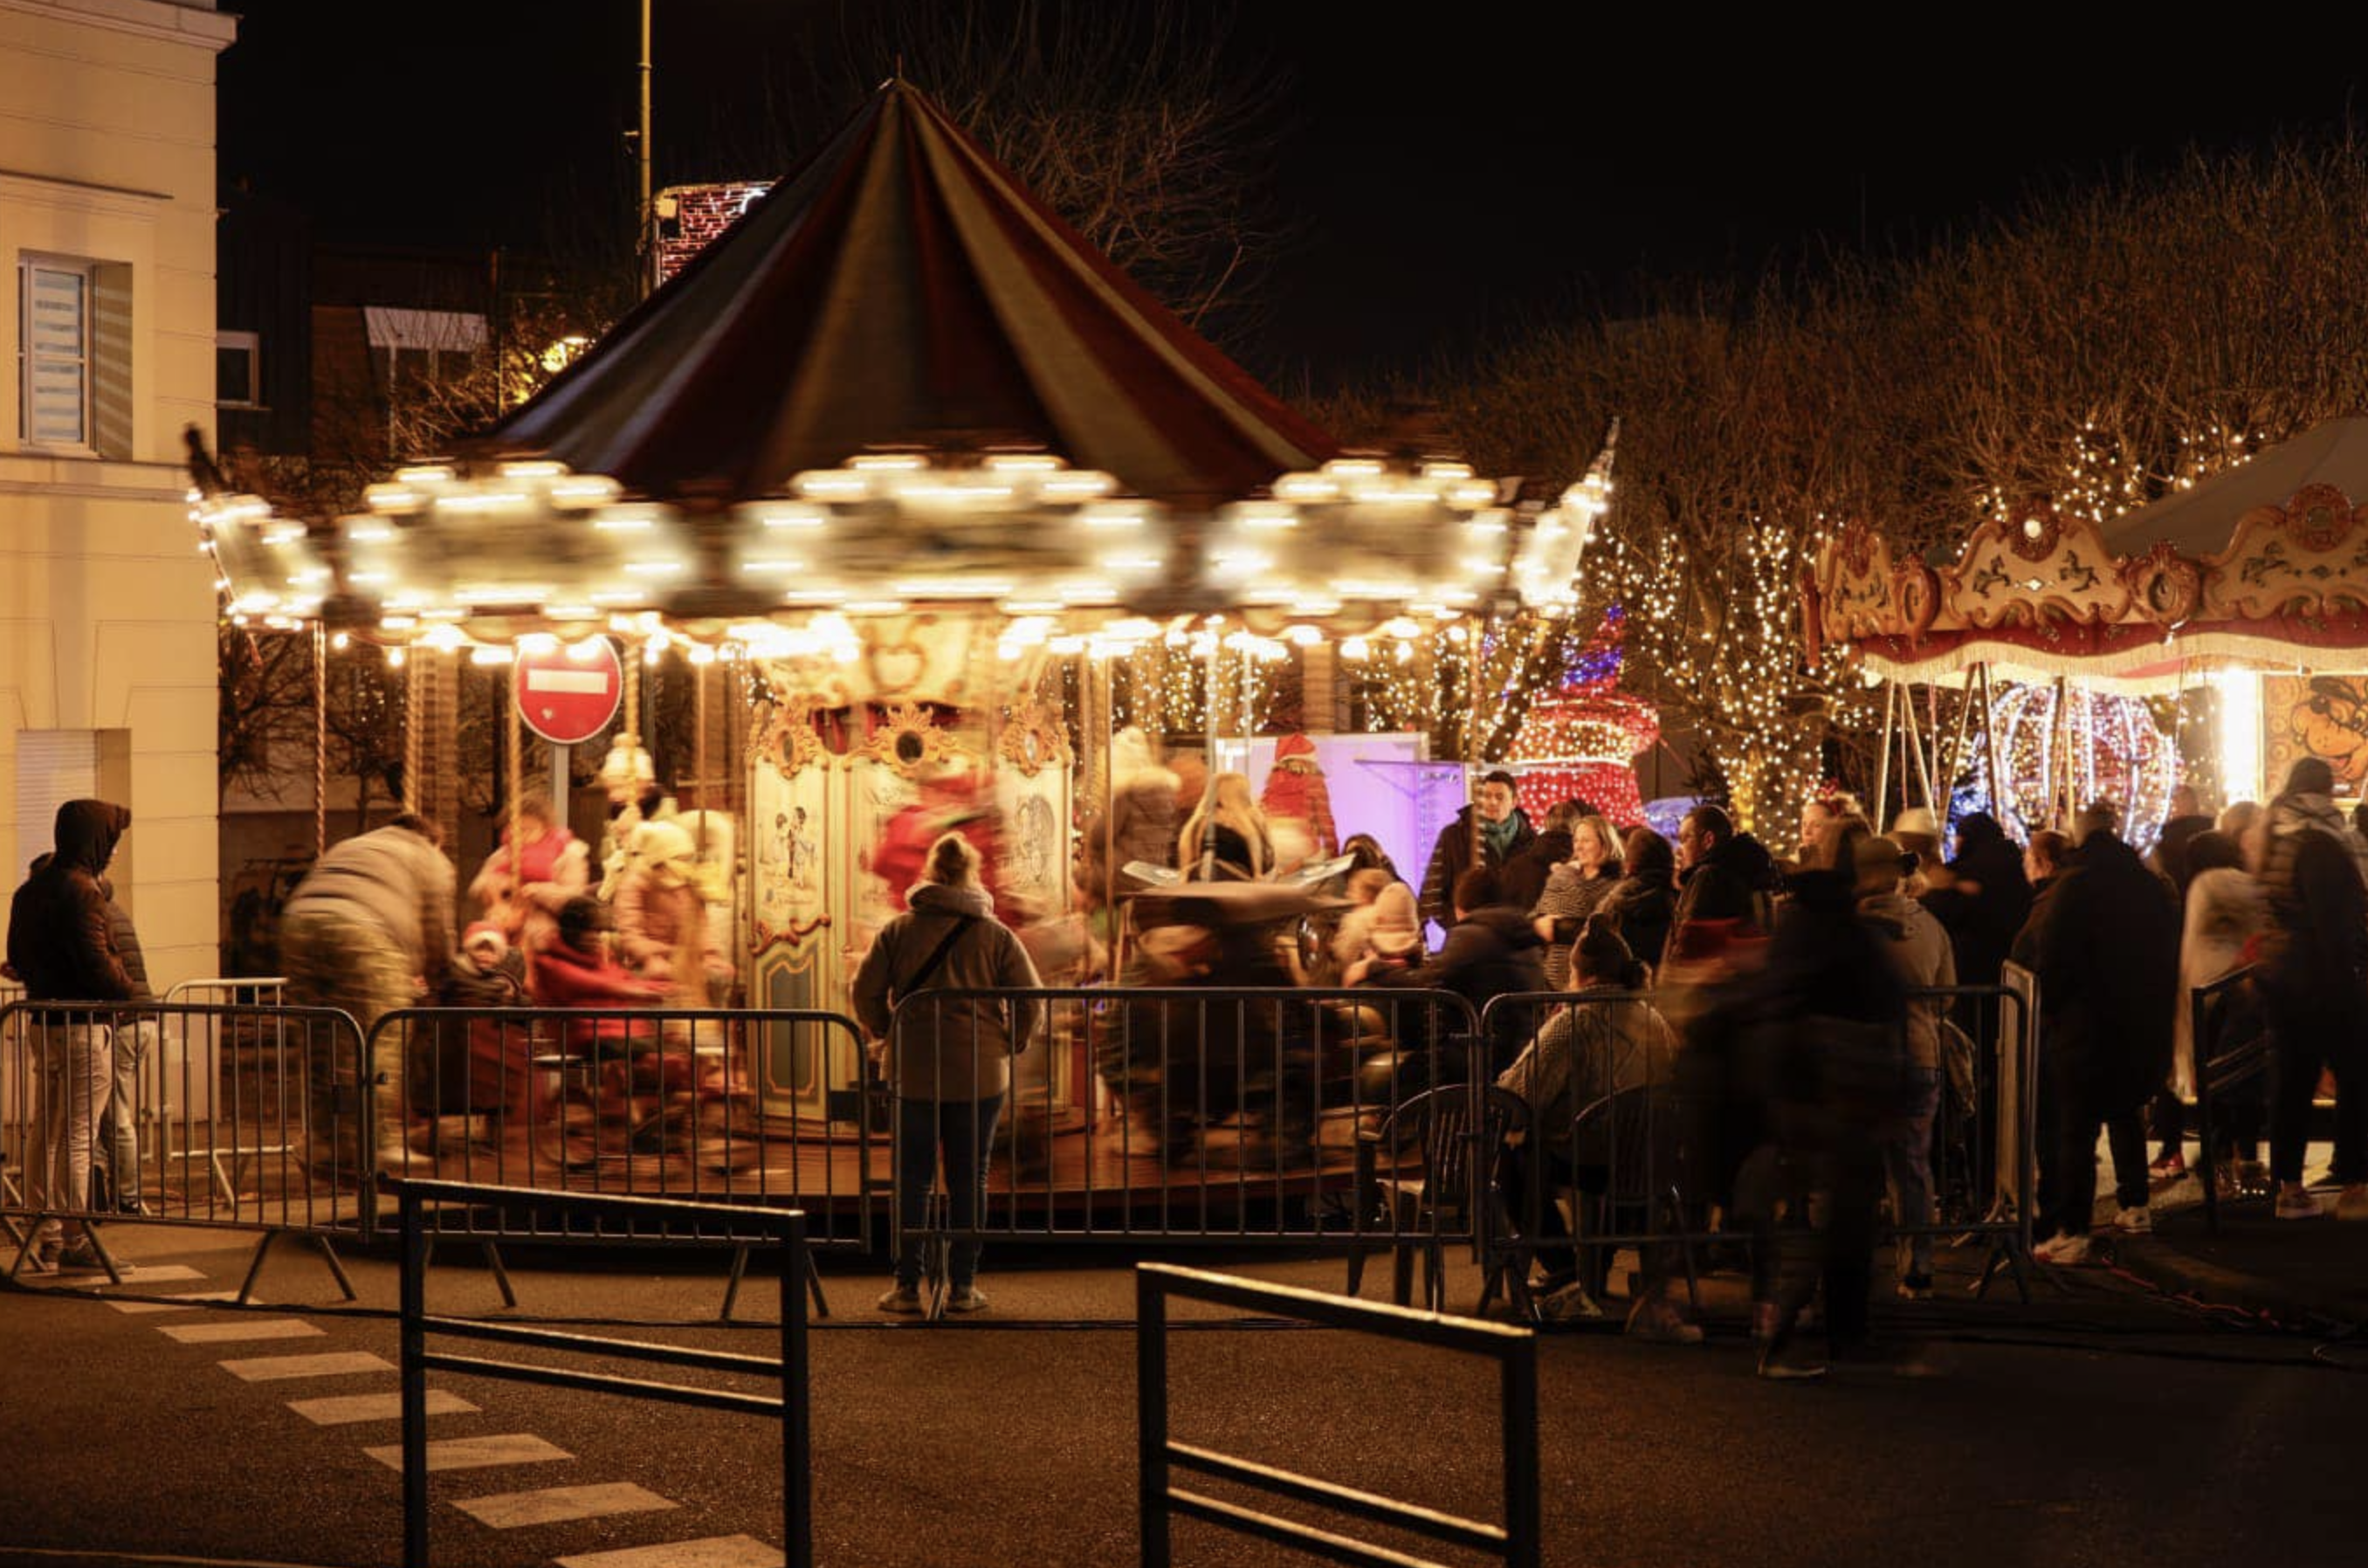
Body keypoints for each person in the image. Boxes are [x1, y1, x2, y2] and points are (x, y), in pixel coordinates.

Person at [852, 833, 1043, 1314]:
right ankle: (962, 1285)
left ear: (930, 873)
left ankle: (906, 1284)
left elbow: (865, 990)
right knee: (969, 1178)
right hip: (979, 1070)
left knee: (911, 1178)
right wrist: (1011, 1040)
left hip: (913, 1068)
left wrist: (885, 1027)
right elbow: (1030, 997)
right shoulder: (995, 934)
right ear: (971, 874)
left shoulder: (899, 930)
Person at [1497, 915, 1684, 1334]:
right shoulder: (1654, 1020)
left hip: (1591, 1156)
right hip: (1646, 1161)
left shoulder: (1575, 1022)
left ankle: (1563, 1274)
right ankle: (1588, 1273)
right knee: (1596, 1160)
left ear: (1579, 973)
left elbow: (1520, 1088)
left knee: (1515, 1157)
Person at [2019, 802, 2180, 1263]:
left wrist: (2049, 1008)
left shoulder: (2075, 887)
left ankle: (2074, 1226)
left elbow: (2056, 957)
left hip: (2086, 1022)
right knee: (2126, 1111)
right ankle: (2134, 1203)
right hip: (2139, 1018)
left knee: (2077, 1127)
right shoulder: (2149, 886)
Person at [278, 813, 457, 1172]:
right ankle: (375, 1143)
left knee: (319, 1041)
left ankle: (323, 1140)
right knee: (380, 1039)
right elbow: (437, 929)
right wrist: (442, 977)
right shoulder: (429, 856)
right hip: (366, 933)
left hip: (299, 924)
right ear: (432, 838)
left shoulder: (354, 845)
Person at [5, 800, 136, 1273]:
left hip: (45, 1024)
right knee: (78, 1135)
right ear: (94, 839)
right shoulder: (84, 892)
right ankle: (78, 1236)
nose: (115, 852)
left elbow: (16, 957)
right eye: (112, 841)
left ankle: (45, 1232)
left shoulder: (29, 891)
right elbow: (99, 967)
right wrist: (130, 991)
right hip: (83, 1027)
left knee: (47, 1132)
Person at [2254, 758, 2368, 1221]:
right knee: (2356, 1079)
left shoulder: (2277, 835)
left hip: (2283, 978)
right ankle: (2356, 1185)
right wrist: (2350, 981)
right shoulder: (2320, 844)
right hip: (2323, 981)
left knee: (2293, 1084)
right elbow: (2333, 925)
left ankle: (2290, 1188)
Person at [1855, 835, 1956, 1300]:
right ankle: (1917, 1266)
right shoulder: (1931, 927)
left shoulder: (1854, 927)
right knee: (1912, 1166)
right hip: (1921, 1053)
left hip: (1864, 1058)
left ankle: (1850, 1272)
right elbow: (1947, 994)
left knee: (1852, 1167)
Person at [1353, 867, 1546, 1071]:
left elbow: (1427, 982)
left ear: (1459, 908)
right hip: (1523, 1050)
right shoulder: (1523, 935)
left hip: (1478, 1053)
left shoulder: (1472, 935)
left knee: (1399, 1075)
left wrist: (1373, 968)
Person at [2172, 830, 2267, 1187]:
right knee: (2243, 1075)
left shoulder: (2206, 886)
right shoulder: (2251, 887)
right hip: (2245, 988)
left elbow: (2193, 944)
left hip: (2210, 991)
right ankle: (2245, 1154)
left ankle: (2220, 1151)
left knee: (2219, 1075)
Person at [466, 792, 587, 958]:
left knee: (532, 940)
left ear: (545, 828)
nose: (520, 835)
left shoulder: (566, 855)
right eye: (515, 829)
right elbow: (478, 887)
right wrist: (499, 887)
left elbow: (574, 897)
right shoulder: (504, 854)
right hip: (504, 926)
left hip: (547, 929)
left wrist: (538, 891)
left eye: (528, 829)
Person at [1418, 770, 1536, 935]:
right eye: (1486, 796)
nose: (1492, 802)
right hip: (1467, 937)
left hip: (1515, 938)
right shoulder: (1454, 836)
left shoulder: (1531, 841)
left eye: (1500, 797)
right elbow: (1432, 891)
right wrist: (1458, 924)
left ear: (1514, 802)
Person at [1668, 804, 1778, 962]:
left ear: (1708, 840)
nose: (1679, 849)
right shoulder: (1749, 868)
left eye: (1685, 839)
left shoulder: (1708, 877)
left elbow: (1691, 941)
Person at [1531, 813, 1626, 990]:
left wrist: (1556, 927)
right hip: (1551, 978)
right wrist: (1536, 923)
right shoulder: (1563, 877)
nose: (1579, 847)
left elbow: (1603, 927)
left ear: (1605, 844)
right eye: (1576, 841)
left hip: (1591, 979)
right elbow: (1537, 915)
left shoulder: (1616, 885)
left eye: (1586, 840)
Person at [1600, 828, 1679, 980]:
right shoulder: (1677, 899)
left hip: (1624, 986)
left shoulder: (1617, 900)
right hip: (1663, 987)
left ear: (1631, 862)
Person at [1176, 771, 1272, 882]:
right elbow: (1266, 865)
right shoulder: (1250, 823)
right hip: (1238, 889)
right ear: (1241, 794)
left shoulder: (1196, 823)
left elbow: (1187, 863)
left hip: (1198, 886)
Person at [1257, 732, 1339, 858]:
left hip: (1275, 849)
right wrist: (1334, 852)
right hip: (1304, 848)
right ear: (1309, 759)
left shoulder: (1272, 782)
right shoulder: (1314, 781)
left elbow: (1262, 815)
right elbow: (1325, 822)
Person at [1501, 798, 1578, 916]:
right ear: (1577, 826)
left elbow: (1504, 910)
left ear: (1546, 824)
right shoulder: (1589, 867)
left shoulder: (1516, 866)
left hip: (1524, 931)